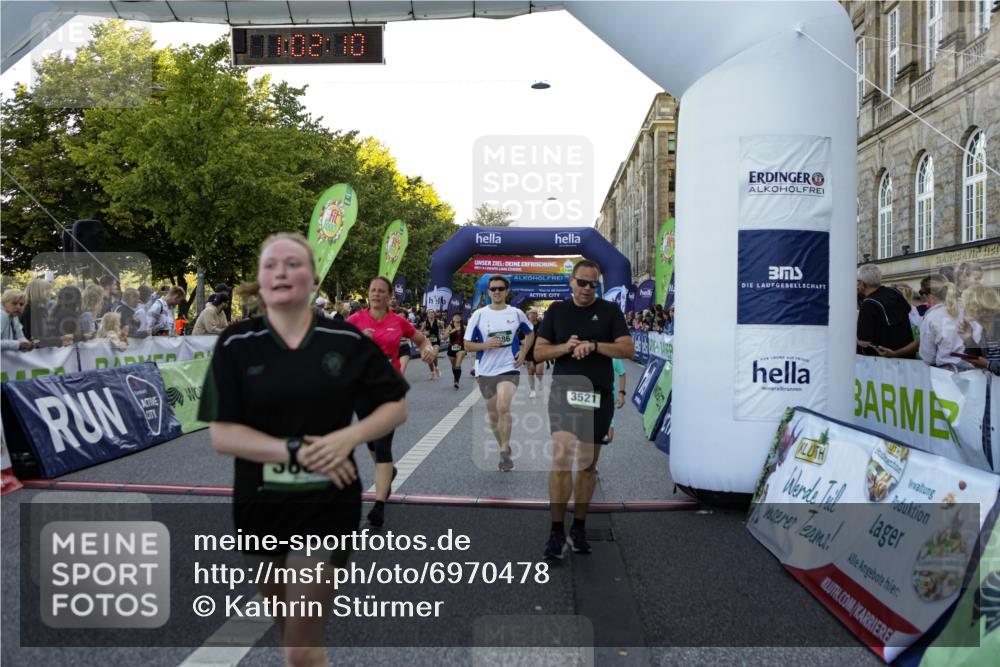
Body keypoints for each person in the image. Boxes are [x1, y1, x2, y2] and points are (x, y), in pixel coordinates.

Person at [199, 233, 409, 667]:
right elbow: (223, 435)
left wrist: (347, 438)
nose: (280, 271)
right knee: (285, 624)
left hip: (327, 499)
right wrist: (293, 450)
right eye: (269, 265)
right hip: (259, 501)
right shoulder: (236, 343)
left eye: (292, 263)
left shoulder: (345, 340)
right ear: (259, 281)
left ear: (313, 279)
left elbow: (395, 406)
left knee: (300, 643)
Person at [533, 259, 633, 559]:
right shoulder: (557, 311)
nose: (588, 289)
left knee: (587, 465)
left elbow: (627, 349)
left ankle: (578, 526)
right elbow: (538, 352)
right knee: (562, 457)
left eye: (593, 284)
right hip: (565, 391)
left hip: (597, 394)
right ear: (571, 282)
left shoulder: (610, 311)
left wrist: (595, 345)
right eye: (583, 283)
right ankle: (555, 530)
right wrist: (565, 347)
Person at [348, 276, 435, 527]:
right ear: (368, 294)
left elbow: (421, 340)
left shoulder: (398, 321)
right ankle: (388, 473)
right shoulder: (354, 321)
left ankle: (379, 505)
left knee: (383, 445)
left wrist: (429, 348)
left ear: (389, 296)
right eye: (372, 290)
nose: (376, 294)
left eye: (381, 291)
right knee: (372, 443)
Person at [464, 275, 534, 472]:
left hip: (508, 367)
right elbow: (467, 344)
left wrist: (524, 352)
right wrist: (486, 345)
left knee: (504, 406)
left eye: (500, 288)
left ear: (507, 291)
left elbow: (530, 333)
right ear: (488, 291)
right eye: (493, 288)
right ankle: (503, 443)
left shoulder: (517, 313)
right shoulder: (478, 315)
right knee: (493, 414)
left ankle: (504, 451)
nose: (497, 292)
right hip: (485, 369)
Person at [856, 264, 914, 357]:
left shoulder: (869, 304)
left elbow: (864, 341)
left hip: (881, 361)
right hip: (905, 355)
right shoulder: (895, 293)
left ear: (862, 284)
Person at [919, 274, 970, 369]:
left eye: (923, 294)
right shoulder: (968, 310)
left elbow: (928, 357)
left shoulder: (931, 318)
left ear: (930, 296)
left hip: (947, 374)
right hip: (977, 371)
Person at [523, 309, 545, 398]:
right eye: (530, 314)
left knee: (539, 372)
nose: (531, 315)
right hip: (528, 352)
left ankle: (540, 381)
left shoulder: (542, 325)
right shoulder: (525, 326)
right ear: (527, 316)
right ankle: (532, 391)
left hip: (539, 351)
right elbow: (520, 338)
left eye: (533, 314)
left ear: (536, 315)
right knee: (530, 372)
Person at [606, 358, 628, 443]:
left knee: (609, 437)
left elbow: (622, 373)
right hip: (590, 400)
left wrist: (621, 394)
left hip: (609, 400)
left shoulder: (613, 357)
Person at [444, 312, 467, 390]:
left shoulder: (464, 327)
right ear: (452, 319)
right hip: (451, 348)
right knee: (453, 365)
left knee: (458, 364)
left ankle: (456, 382)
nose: (456, 318)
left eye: (458, 317)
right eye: (455, 316)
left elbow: (469, 337)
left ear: (460, 319)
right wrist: (453, 330)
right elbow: (443, 338)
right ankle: (455, 377)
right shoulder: (450, 327)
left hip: (461, 348)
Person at [422, 310, 443, 380]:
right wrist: (425, 333)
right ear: (427, 315)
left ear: (434, 314)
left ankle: (436, 367)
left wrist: (441, 333)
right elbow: (420, 331)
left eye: (432, 312)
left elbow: (443, 328)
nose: (431, 314)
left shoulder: (439, 322)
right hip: (428, 342)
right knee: (429, 358)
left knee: (434, 354)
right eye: (429, 313)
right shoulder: (425, 323)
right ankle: (432, 372)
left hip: (436, 341)